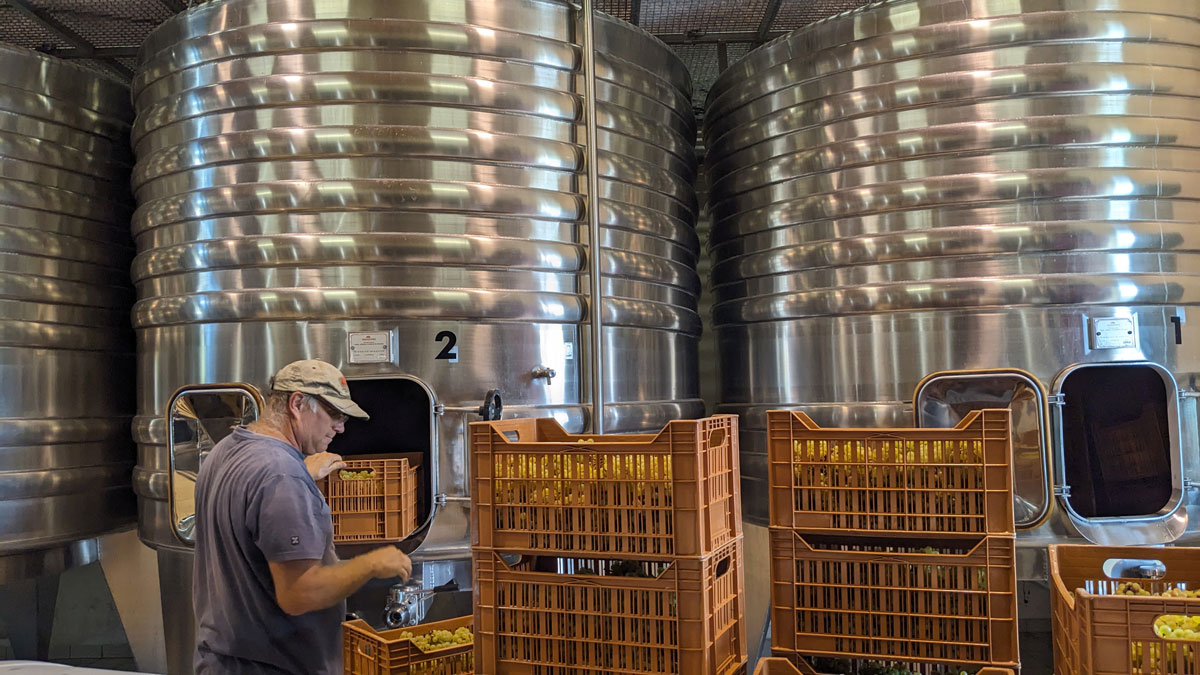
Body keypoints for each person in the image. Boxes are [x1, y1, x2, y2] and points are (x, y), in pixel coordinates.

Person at [192, 359, 412, 674]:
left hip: (219, 661)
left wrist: (302, 475)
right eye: (335, 414)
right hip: (273, 667)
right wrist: (372, 564)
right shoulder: (281, 477)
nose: (341, 427)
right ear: (297, 404)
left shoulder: (225, 451)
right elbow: (299, 593)